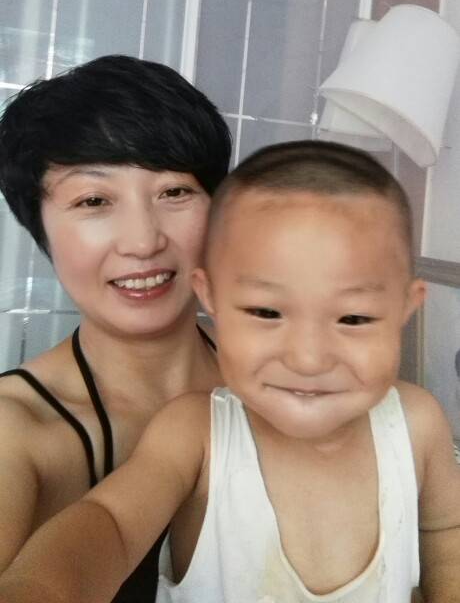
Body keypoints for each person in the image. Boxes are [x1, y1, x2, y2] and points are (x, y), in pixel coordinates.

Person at [1, 140, 460, 603]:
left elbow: (447, 534)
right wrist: (36, 588)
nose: (308, 358)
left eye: (353, 318)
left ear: (406, 307)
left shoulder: (417, 423)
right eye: (266, 312)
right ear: (212, 298)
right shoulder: (195, 431)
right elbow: (110, 524)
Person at [0, 55, 231, 600]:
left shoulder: (292, 375)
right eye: (95, 200)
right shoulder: (17, 432)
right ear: (39, 229)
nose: (143, 241)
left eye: (175, 192)